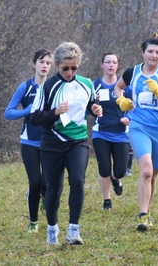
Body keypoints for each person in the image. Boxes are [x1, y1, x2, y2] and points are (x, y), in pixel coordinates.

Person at [29, 42, 103, 245]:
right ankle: (52, 228)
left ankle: (74, 230)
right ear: (57, 65)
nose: (70, 72)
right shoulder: (47, 87)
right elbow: (34, 118)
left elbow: (91, 104)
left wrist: (96, 109)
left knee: (78, 181)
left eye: (74, 68)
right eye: (65, 68)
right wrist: (54, 113)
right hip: (52, 143)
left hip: (78, 141)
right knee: (54, 188)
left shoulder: (87, 84)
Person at [114, 34, 158, 231]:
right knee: (146, 171)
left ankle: (147, 209)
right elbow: (118, 87)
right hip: (138, 126)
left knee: (154, 174)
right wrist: (121, 100)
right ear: (142, 53)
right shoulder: (132, 72)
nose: (154, 55)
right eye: (150, 51)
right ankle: (143, 216)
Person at [4, 49, 51, 233]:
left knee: (47, 184)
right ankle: (33, 221)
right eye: (41, 62)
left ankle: (45, 200)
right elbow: (8, 113)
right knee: (35, 182)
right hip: (29, 142)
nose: (44, 66)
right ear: (34, 64)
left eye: (48, 63)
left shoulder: (54, 86)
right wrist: (27, 110)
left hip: (50, 142)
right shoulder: (25, 87)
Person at [91, 52, 132, 210]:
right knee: (104, 168)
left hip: (121, 133)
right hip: (100, 132)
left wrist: (128, 118)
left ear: (117, 65)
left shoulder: (124, 87)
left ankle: (116, 179)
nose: (111, 65)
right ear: (102, 65)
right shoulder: (95, 86)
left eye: (114, 62)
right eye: (108, 62)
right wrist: (93, 110)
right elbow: (88, 107)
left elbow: (132, 107)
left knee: (120, 170)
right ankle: (107, 201)